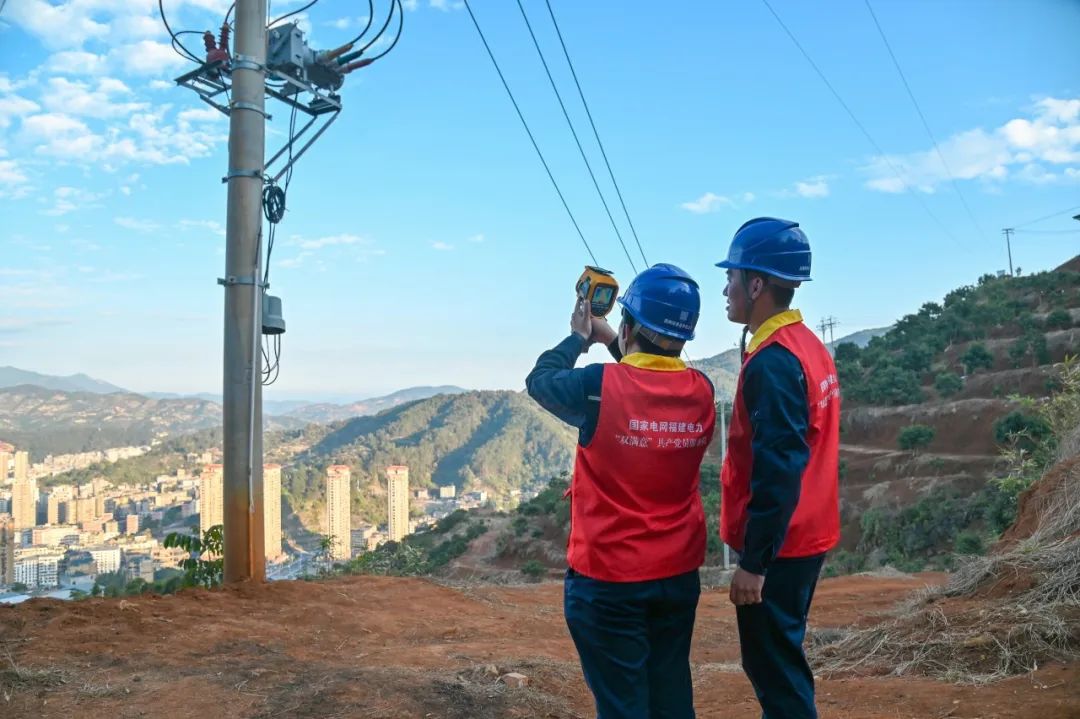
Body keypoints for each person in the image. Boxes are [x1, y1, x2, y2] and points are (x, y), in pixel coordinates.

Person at [525, 263, 716, 719]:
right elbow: (648, 381)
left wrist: (580, 337)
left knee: (622, 706)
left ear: (629, 326)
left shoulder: (596, 388)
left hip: (608, 580)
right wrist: (614, 340)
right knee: (671, 698)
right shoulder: (702, 392)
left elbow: (540, 381)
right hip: (676, 577)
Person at [715, 217, 841, 719]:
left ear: (757, 284)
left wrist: (754, 562)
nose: (726, 288)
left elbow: (779, 468)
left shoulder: (774, 362)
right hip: (807, 532)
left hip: (782, 546)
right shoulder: (807, 346)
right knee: (781, 659)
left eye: (733, 277)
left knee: (775, 670)